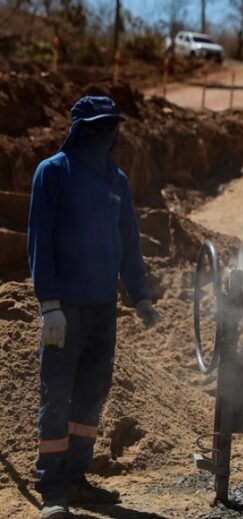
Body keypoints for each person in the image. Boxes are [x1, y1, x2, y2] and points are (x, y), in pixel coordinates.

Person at [27, 96, 160, 519]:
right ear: (81, 129)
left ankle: (76, 479)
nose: (108, 134)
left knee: (90, 397)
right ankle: (52, 488)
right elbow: (39, 242)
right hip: (65, 307)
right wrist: (48, 303)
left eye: (112, 126)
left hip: (103, 309)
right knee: (58, 395)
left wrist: (139, 296)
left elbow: (129, 243)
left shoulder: (116, 181)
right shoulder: (53, 173)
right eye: (100, 127)